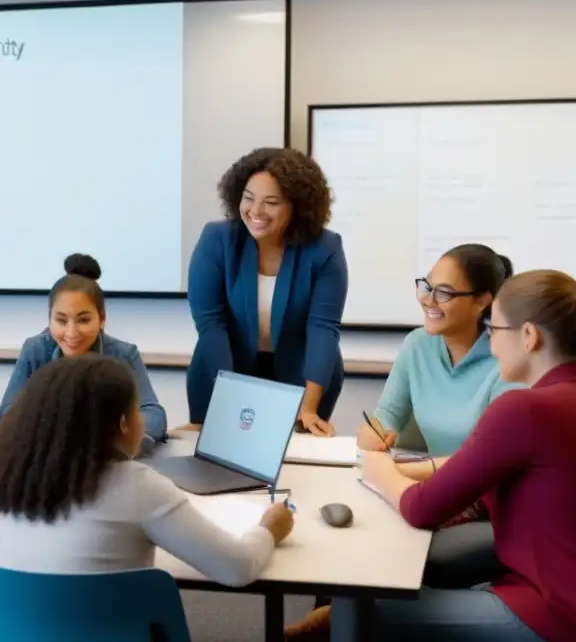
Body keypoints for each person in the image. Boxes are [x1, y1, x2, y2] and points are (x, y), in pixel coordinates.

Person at [350, 269, 576, 641]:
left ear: (529, 336)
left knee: (362, 611)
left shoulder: (525, 409)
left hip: (549, 615)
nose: (490, 343)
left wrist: (379, 470)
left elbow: (422, 510)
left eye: (495, 330)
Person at [0, 354, 294, 586]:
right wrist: (269, 528)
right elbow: (235, 568)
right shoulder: (137, 486)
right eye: (137, 410)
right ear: (122, 423)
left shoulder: (17, 477)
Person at [184, 148, 347, 436]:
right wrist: (230, 397)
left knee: (295, 464)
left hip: (303, 375)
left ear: (298, 206)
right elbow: (211, 324)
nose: (256, 211)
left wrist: (308, 407)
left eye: (271, 202)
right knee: (221, 457)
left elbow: (323, 328)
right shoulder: (217, 239)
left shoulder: (325, 248)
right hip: (224, 366)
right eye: (248, 198)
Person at [356, 244, 521, 458]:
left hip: (486, 487)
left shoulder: (507, 359)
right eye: (426, 287)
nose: (428, 300)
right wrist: (374, 432)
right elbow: (389, 414)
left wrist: (400, 474)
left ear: (482, 301)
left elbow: (490, 456)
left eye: (444, 292)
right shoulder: (417, 344)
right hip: (434, 483)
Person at [0, 254, 166, 455]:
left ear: (101, 319)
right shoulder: (35, 350)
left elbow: (154, 415)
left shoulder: (123, 354)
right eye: (61, 321)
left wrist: (120, 443)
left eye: (83, 320)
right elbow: (7, 414)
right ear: (49, 319)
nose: (71, 333)